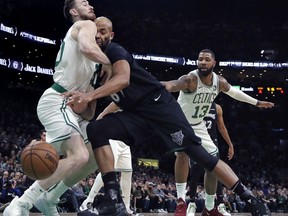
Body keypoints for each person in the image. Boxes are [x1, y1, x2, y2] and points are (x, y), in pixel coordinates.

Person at [64, 18, 273, 216]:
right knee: (96, 129)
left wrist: (89, 95)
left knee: (202, 158)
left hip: (160, 109)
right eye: (96, 31)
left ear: (111, 34)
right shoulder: (95, 67)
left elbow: (123, 81)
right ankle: (113, 199)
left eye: (103, 31)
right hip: (137, 114)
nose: (98, 35)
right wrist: (94, 111)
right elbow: (119, 97)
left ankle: (251, 199)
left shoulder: (115, 50)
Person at [3, 0, 111, 216]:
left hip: (70, 109)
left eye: (89, 3)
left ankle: (49, 199)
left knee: (97, 154)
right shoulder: (84, 25)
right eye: (83, 3)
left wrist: (90, 108)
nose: (89, 5)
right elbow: (86, 47)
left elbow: (88, 109)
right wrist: (111, 63)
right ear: (74, 11)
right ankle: (23, 202)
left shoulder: (94, 64)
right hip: (57, 100)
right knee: (79, 155)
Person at [161, 48, 274, 216]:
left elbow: (234, 92)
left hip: (198, 125)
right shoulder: (191, 79)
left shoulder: (218, 81)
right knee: (182, 155)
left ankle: (209, 206)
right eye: (200, 59)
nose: (203, 62)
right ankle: (181, 201)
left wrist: (256, 102)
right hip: (181, 123)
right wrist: (157, 86)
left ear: (214, 63)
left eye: (207, 59)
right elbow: (173, 85)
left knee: (213, 162)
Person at [186, 102, 234, 216]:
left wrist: (230, 144)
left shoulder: (217, 107)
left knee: (216, 173)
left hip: (212, 142)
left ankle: (220, 205)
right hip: (197, 141)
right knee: (195, 172)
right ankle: (191, 204)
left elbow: (221, 128)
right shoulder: (193, 104)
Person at [79, 139, 133, 214]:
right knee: (107, 169)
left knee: (128, 172)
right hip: (113, 139)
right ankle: (89, 200)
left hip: (125, 142)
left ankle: (127, 205)